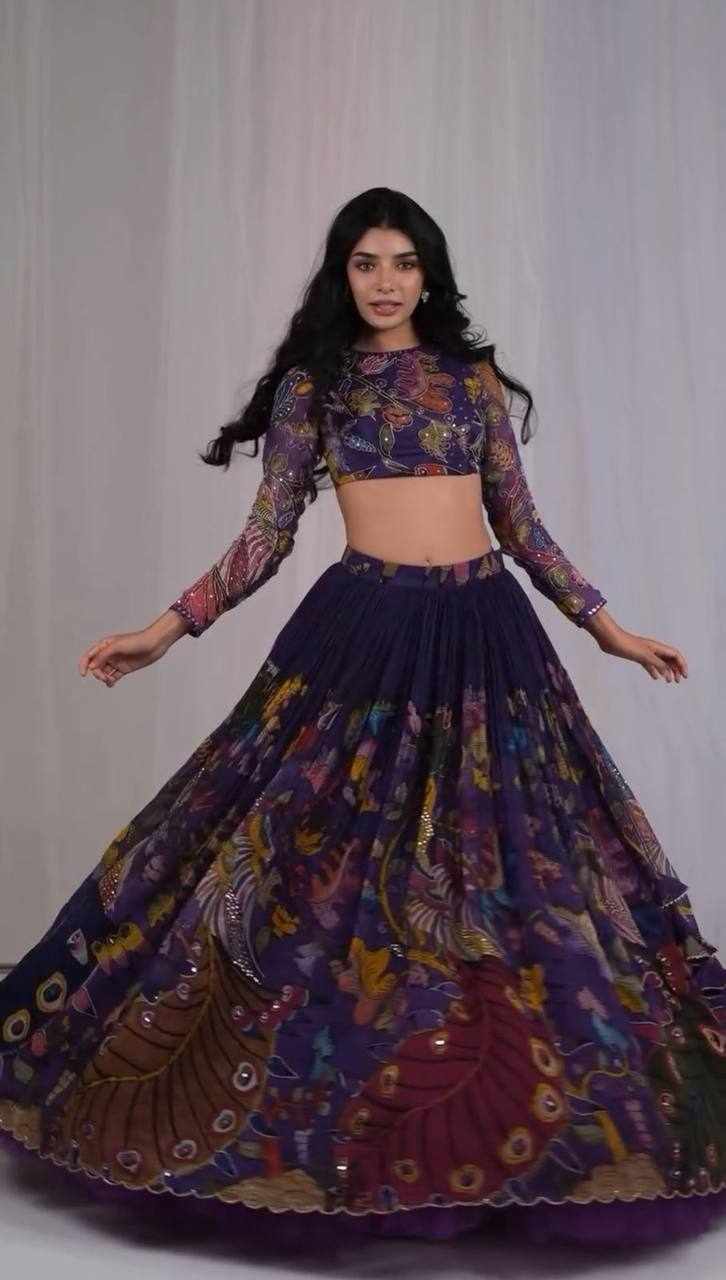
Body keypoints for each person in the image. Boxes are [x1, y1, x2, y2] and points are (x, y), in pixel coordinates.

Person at [2, 187, 726, 1251]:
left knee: (522, 871)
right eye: (365, 263)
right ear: (342, 275)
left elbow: (522, 526)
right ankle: (338, 1126)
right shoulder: (319, 384)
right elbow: (266, 535)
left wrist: (609, 627)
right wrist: (166, 630)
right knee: (308, 863)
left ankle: (515, 1136)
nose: (385, 282)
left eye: (403, 262)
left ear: (429, 275)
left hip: (485, 636)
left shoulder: (472, 381)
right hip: (366, 635)